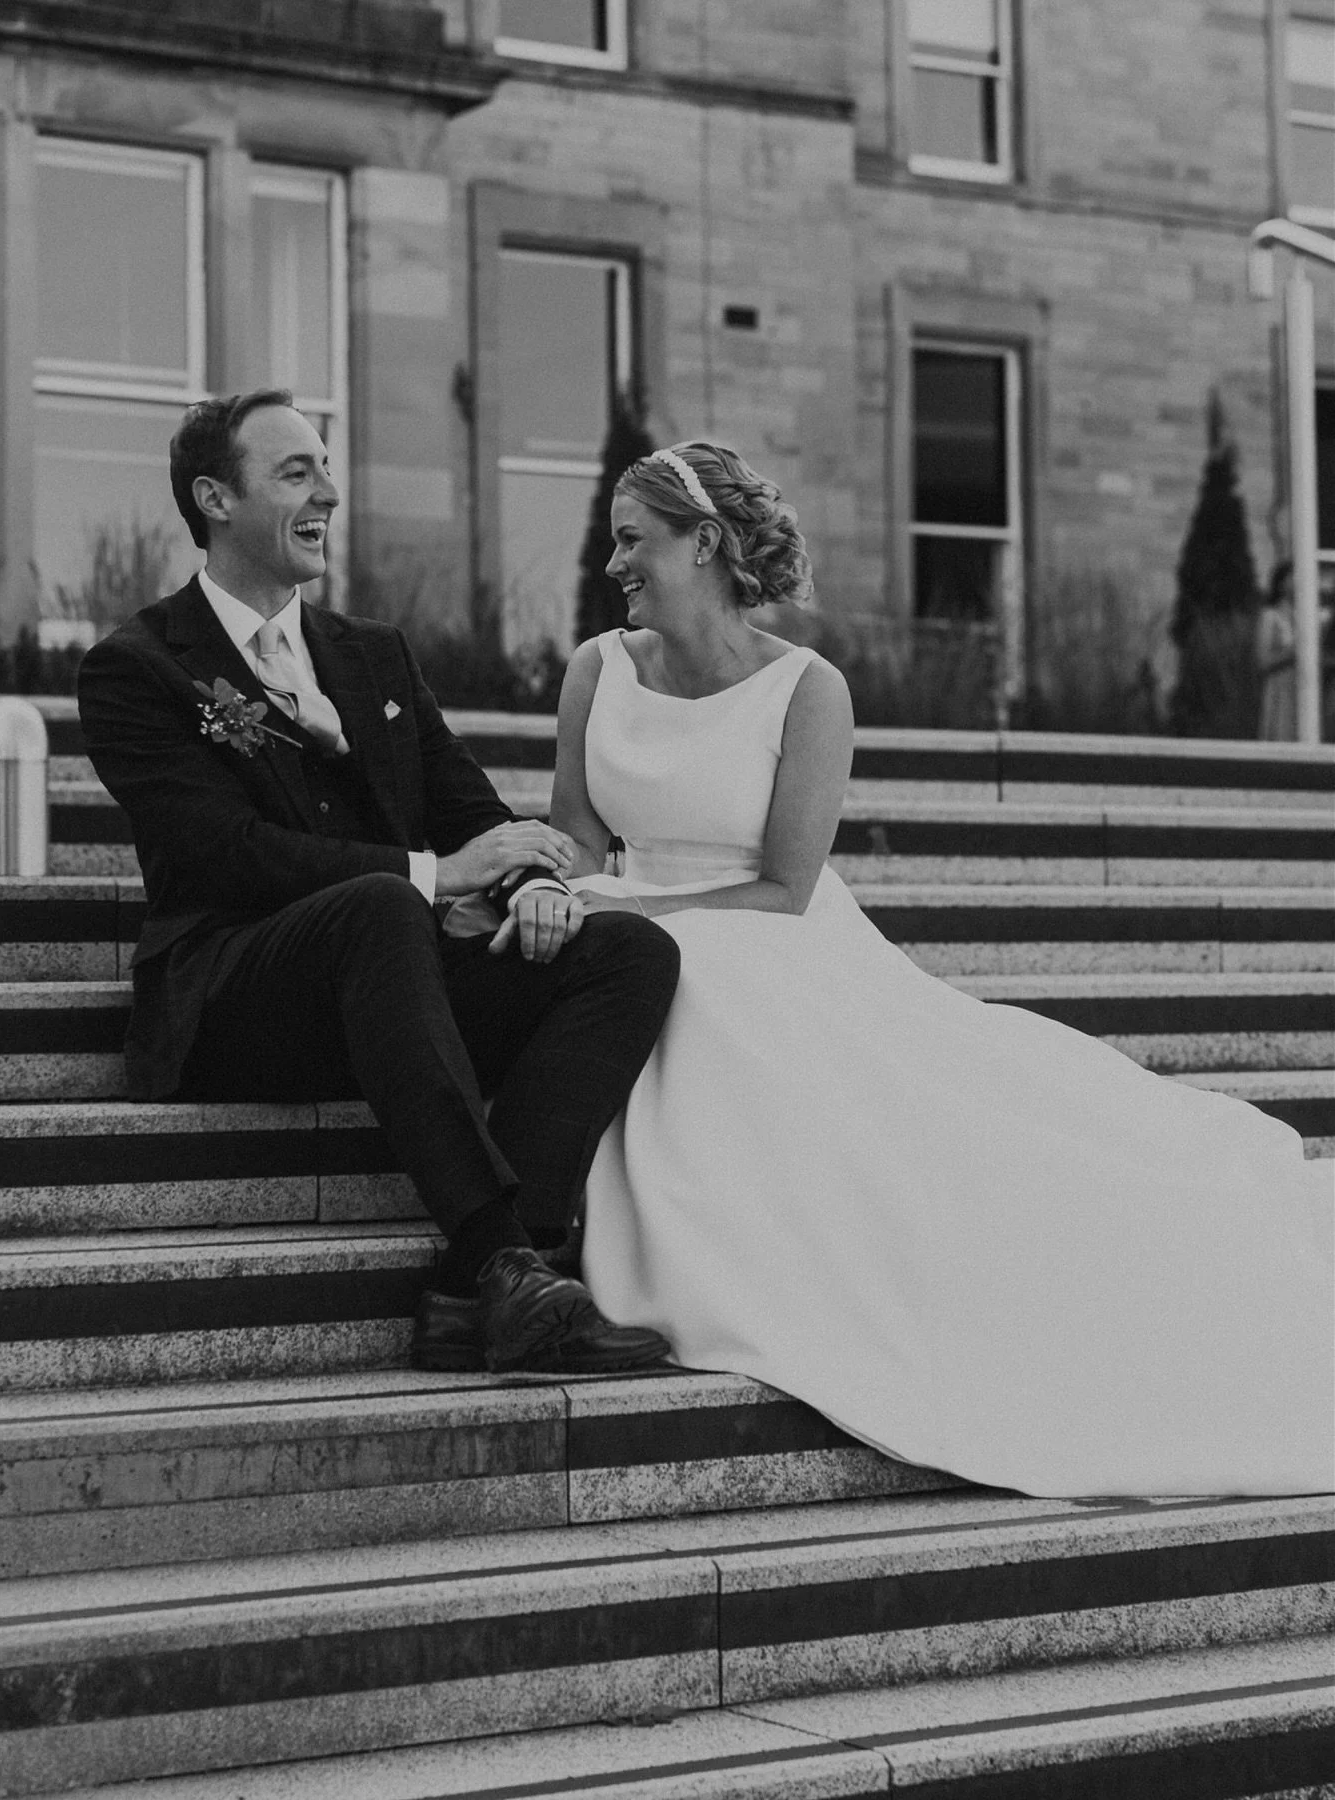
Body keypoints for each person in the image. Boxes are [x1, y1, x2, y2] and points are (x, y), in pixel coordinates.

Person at [549, 440, 1334, 1498]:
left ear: (706, 545)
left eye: (633, 540)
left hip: (774, 941)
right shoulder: (596, 671)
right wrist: (560, 891)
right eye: (612, 543)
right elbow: (575, 849)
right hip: (628, 927)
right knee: (638, 974)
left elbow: (784, 890)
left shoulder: (808, 690)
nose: (614, 564)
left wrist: (624, 909)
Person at [77, 389, 681, 1376]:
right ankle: (507, 1265)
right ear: (213, 499)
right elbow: (223, 853)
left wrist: (530, 879)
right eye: (296, 472)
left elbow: (475, 812)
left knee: (625, 951)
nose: (330, 492)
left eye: (326, 466)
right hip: (240, 1000)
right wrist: (436, 875)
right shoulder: (139, 668)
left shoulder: (374, 657)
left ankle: (476, 1290)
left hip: (396, 996)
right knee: (381, 902)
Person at [1256, 560, 1297, 741]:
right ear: (1281, 583)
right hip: (1280, 697)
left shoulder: (1305, 617)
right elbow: (1262, 661)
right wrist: (1293, 653)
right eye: (1293, 575)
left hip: (1302, 697)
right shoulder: (1270, 617)